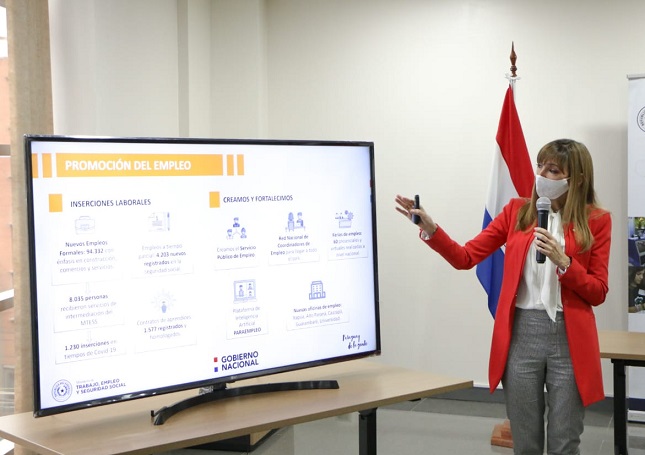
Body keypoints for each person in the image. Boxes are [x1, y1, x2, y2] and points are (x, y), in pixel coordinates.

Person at [395, 139, 611, 454]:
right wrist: (432, 229)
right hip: (522, 336)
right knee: (525, 441)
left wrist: (564, 262)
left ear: (577, 179)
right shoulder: (516, 212)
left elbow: (598, 291)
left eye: (553, 170)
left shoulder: (597, 220)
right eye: (540, 166)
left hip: (570, 340)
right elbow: (465, 257)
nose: (541, 175)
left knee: (565, 442)